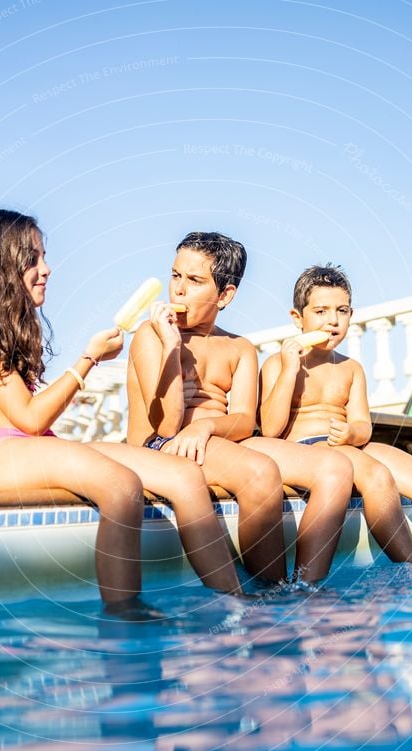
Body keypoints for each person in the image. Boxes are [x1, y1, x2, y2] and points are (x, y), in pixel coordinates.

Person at [0, 210, 243, 604]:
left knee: (183, 475)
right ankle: (127, 619)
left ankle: (235, 603)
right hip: (0, 453)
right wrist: (88, 359)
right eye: (33, 258)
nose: (47, 269)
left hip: (24, 447)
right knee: (122, 486)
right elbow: (29, 418)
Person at [127, 232, 354, 584]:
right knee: (260, 473)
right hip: (161, 444)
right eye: (176, 276)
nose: (179, 290)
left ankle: (307, 590)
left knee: (336, 468)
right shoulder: (151, 335)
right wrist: (171, 348)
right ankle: (272, 594)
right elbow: (168, 425)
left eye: (195, 280)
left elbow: (246, 421)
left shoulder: (239, 348)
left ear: (225, 295)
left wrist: (205, 427)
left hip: (218, 439)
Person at [259, 262, 412, 565]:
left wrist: (351, 433)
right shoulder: (277, 364)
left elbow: (362, 425)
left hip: (349, 444)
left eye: (342, 311)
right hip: (306, 450)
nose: (332, 321)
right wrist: (289, 370)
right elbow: (270, 430)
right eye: (321, 311)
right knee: (376, 476)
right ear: (298, 317)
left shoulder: (351, 369)